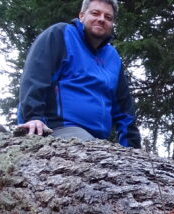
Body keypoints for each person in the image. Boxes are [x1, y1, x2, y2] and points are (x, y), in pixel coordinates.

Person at [16, 0, 140, 148]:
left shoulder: (112, 56)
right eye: (95, 13)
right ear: (81, 15)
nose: (101, 19)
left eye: (108, 17)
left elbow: (124, 108)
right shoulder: (61, 34)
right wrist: (33, 117)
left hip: (97, 139)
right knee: (97, 158)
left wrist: (132, 148)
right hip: (57, 129)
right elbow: (35, 76)